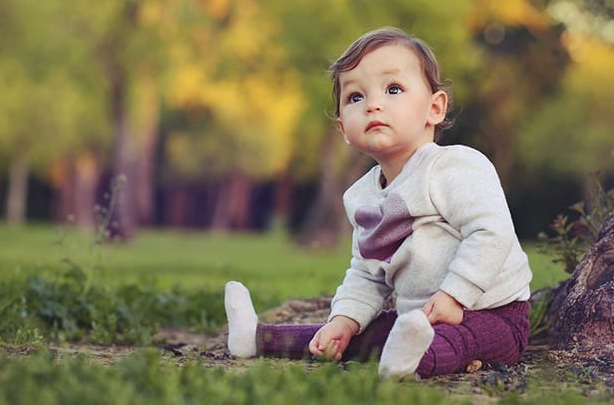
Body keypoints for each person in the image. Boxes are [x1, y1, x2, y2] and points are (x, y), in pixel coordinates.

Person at [224, 26, 532, 379]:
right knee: (347, 337)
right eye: (355, 97)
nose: (372, 104)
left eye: (393, 89)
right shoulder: (361, 197)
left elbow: (492, 233)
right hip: (415, 321)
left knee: (456, 340)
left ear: (435, 108)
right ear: (343, 128)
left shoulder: (455, 167)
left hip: (492, 313)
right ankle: (258, 338)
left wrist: (454, 295)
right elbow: (366, 274)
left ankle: (407, 361)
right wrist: (344, 319)